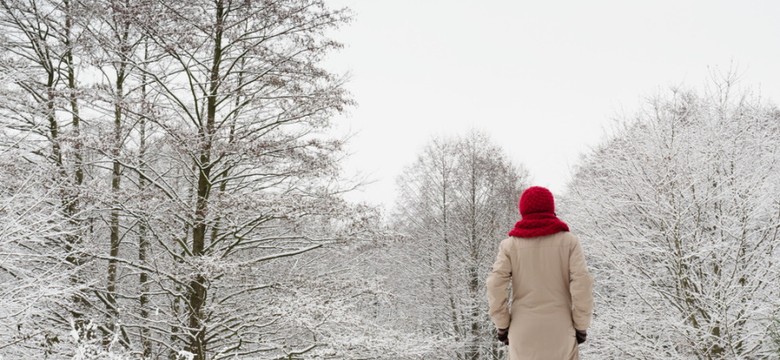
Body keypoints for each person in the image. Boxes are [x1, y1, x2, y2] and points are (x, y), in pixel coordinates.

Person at [486, 186, 594, 360]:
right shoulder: (569, 242)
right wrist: (581, 325)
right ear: (551, 208)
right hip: (560, 330)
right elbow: (582, 283)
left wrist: (502, 324)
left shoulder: (509, 245)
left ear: (523, 211)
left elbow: (494, 285)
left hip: (523, 332)